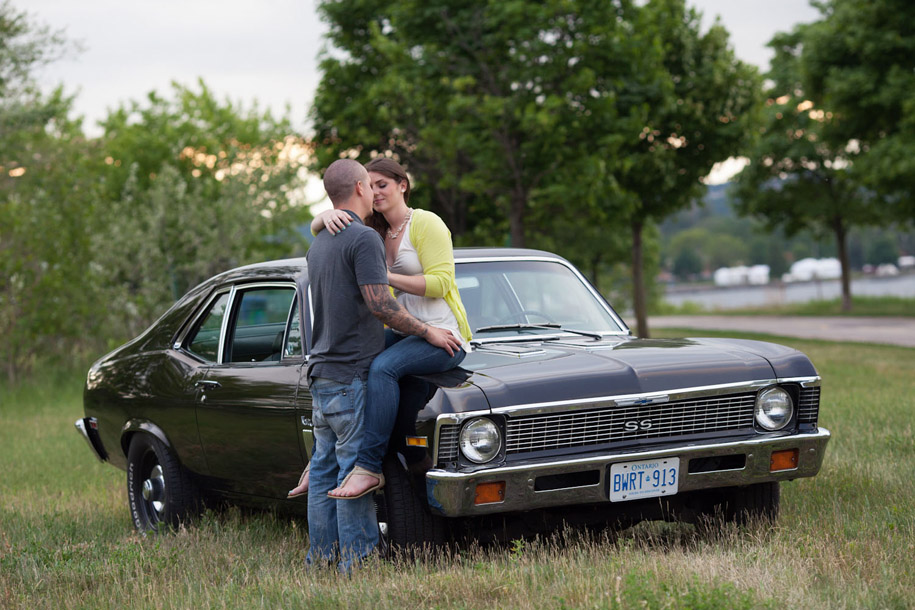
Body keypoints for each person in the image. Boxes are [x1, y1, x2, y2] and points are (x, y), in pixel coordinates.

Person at [304, 159, 461, 572]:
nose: (375, 192)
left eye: (383, 185)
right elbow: (381, 306)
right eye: (369, 185)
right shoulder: (364, 236)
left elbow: (440, 281)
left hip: (320, 373)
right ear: (358, 187)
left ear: (402, 186)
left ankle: (319, 561)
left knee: (323, 471)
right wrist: (426, 332)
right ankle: (358, 563)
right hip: (350, 371)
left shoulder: (320, 243)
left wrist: (322, 218)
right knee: (349, 465)